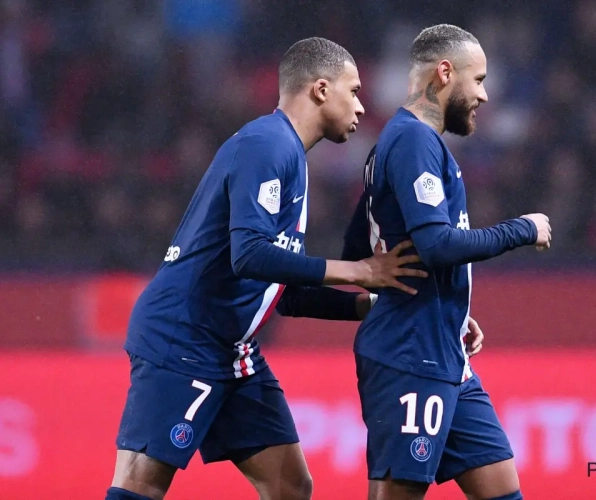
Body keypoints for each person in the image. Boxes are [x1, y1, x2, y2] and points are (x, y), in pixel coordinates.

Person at [106, 37, 427, 500]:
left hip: (233, 352)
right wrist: (358, 270)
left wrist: (376, 305)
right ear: (320, 89)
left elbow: (285, 289)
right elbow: (250, 255)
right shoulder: (266, 145)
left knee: (290, 486)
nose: (362, 105)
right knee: (141, 482)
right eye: (353, 91)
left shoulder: (291, 157)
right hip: (183, 338)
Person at [341, 25, 552, 500]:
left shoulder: (396, 145)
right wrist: (522, 228)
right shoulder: (413, 140)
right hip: (409, 356)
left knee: (501, 490)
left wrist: (445, 304)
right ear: (444, 73)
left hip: (445, 350)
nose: (484, 94)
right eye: (477, 80)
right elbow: (436, 245)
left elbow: (362, 244)